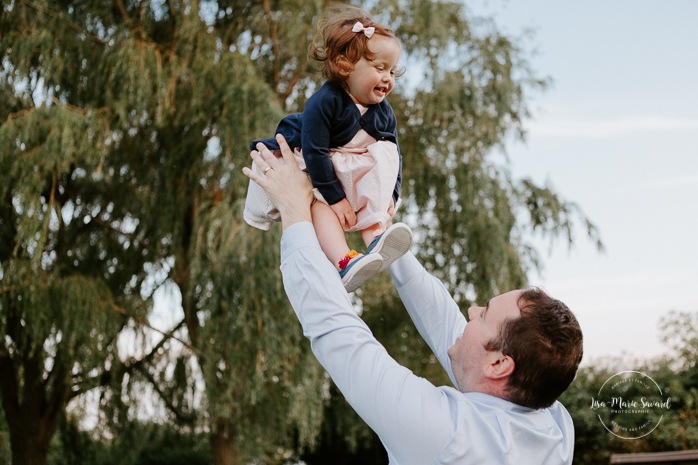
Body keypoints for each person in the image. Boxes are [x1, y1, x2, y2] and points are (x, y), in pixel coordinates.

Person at [243, 135, 584, 465]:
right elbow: (443, 321)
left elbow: (338, 332)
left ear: (498, 365)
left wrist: (294, 211)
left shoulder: (446, 437)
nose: (471, 310)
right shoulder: (553, 422)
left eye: (484, 315)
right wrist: (381, 234)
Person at [243, 4, 409, 292]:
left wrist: (393, 193)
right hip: (324, 171)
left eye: (392, 71)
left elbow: (395, 155)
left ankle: (377, 239)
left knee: (380, 178)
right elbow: (314, 151)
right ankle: (344, 260)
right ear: (346, 66)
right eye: (380, 68)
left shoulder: (384, 112)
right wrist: (336, 199)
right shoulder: (326, 101)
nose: (388, 78)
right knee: (320, 207)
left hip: (357, 170)